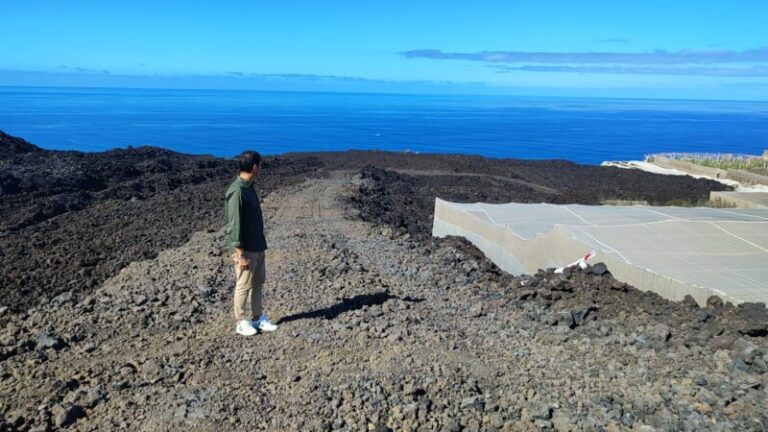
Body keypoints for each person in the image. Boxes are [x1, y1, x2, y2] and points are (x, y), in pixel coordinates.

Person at [225, 150, 278, 336]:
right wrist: (240, 254)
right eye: (260, 165)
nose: (261, 168)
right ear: (255, 167)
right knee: (243, 285)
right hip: (246, 249)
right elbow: (234, 224)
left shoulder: (248, 187)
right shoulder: (238, 191)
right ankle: (240, 322)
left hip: (257, 245)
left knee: (257, 283)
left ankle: (257, 318)